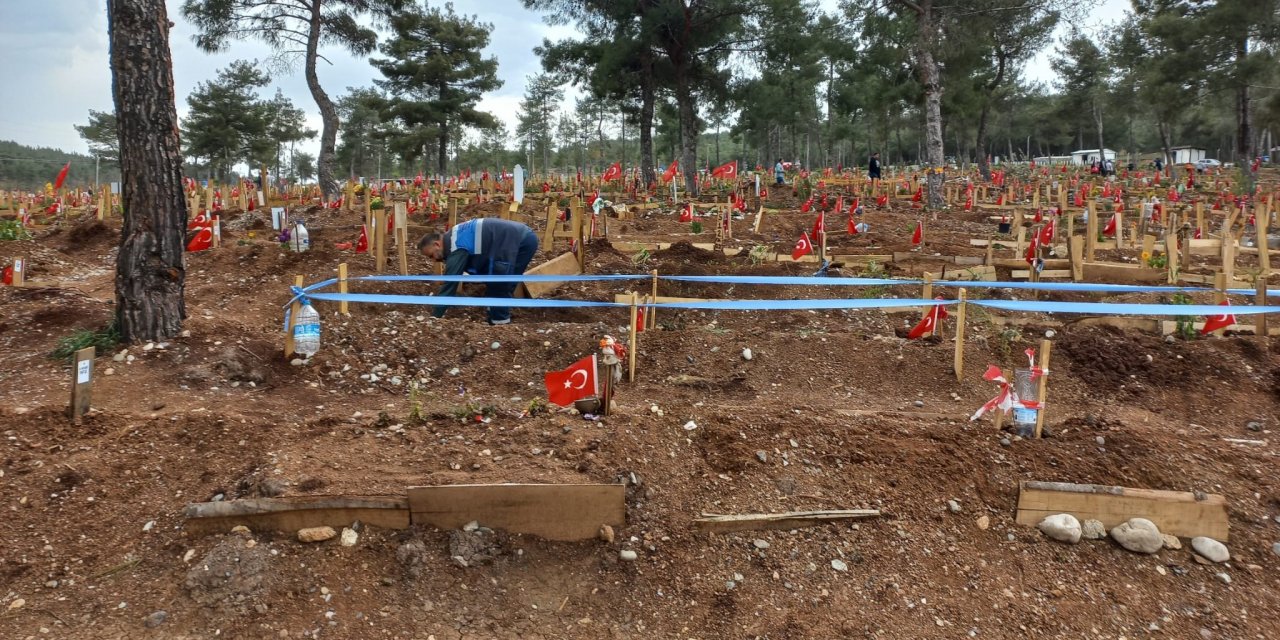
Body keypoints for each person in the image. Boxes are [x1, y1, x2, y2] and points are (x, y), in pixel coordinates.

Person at [417, 218, 540, 325]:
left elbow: (450, 284)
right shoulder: (454, 237)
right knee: (500, 284)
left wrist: (434, 318)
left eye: (431, 255)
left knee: (499, 285)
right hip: (521, 238)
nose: (433, 260)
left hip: (519, 242)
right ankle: (495, 316)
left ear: (437, 244)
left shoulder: (456, 248)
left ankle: (500, 326)